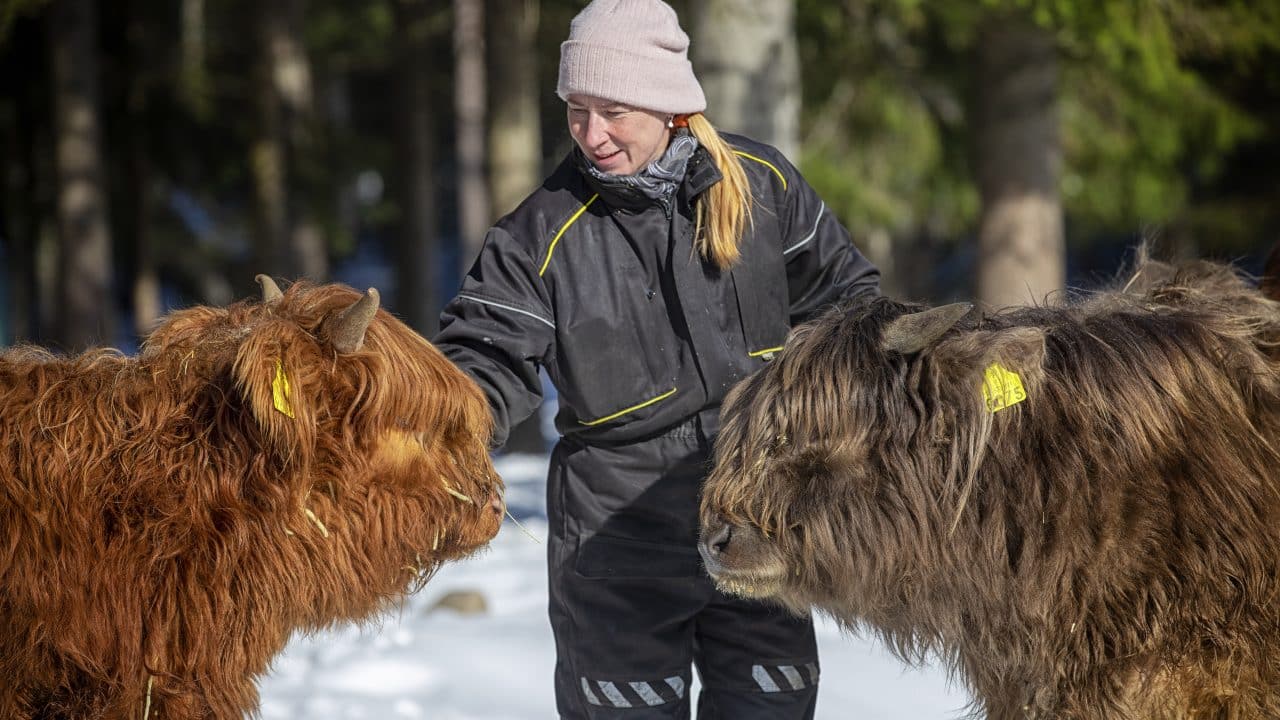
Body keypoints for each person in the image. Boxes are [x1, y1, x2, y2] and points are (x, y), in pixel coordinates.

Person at [434, 1, 880, 717]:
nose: (591, 133)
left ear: (668, 103)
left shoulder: (762, 183)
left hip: (760, 527)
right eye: (576, 110)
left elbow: (851, 305)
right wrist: (435, 432)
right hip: (617, 546)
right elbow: (483, 359)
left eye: (612, 110)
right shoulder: (538, 234)